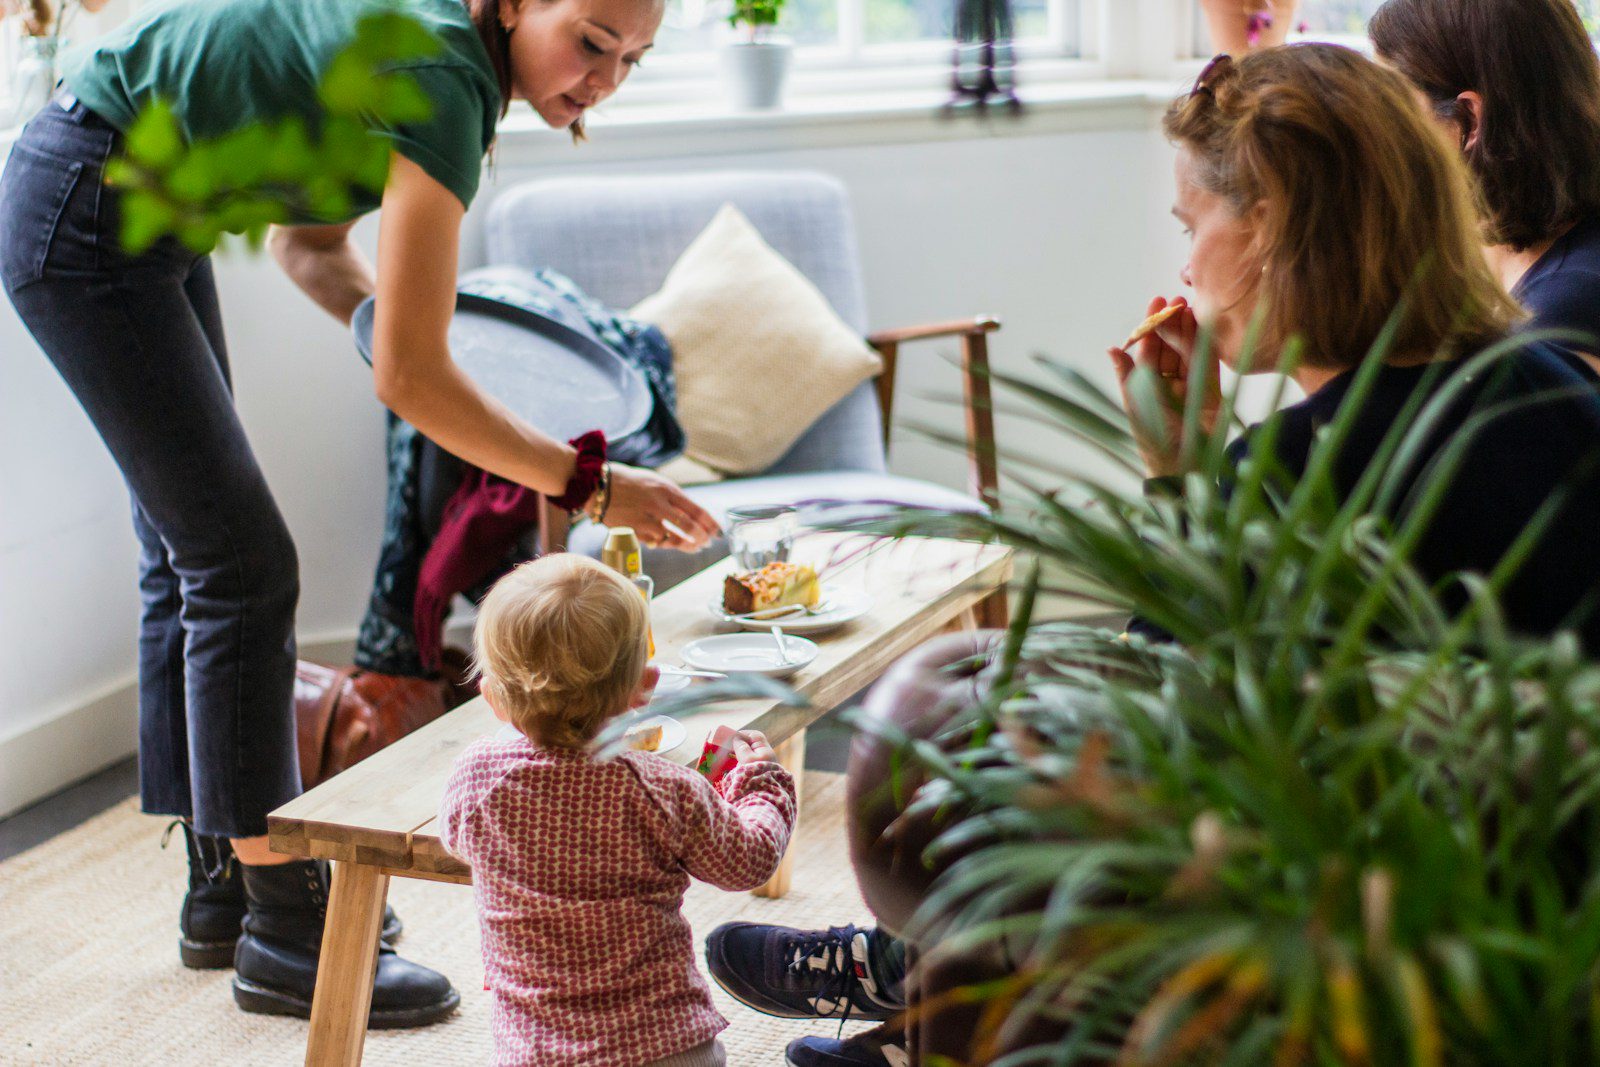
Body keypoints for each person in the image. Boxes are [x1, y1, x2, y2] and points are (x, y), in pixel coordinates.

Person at [708, 43, 1600, 1067]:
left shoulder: (1298, 465)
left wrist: (1181, 470)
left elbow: (1153, 721)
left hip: (1391, 924)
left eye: (1191, 224)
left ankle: (926, 1014)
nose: (1182, 267)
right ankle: (916, 996)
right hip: (1548, 876)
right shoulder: (1550, 379)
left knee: (976, 756)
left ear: (1269, 225)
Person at [0, 0, 720, 1024]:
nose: (605, 75)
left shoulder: (432, 51)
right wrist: (590, 480)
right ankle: (286, 929)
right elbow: (408, 378)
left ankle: (223, 889)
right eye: (593, 39)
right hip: (86, 210)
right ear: (513, 4)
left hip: (120, 203)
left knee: (187, 555)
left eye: (634, 58)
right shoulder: (445, 76)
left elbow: (309, 249)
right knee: (239, 567)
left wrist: (446, 364)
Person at [439, 554, 797, 1066]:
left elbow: (456, 841)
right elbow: (748, 860)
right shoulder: (667, 790)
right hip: (664, 1048)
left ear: (491, 697)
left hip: (536, 1053)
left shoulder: (476, 778)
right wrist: (759, 783)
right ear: (646, 687)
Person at [1371, 0, 1600, 378]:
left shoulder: (1563, 318)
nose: (1380, 136)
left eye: (1393, 113)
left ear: (1470, 120)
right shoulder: (1502, 252)